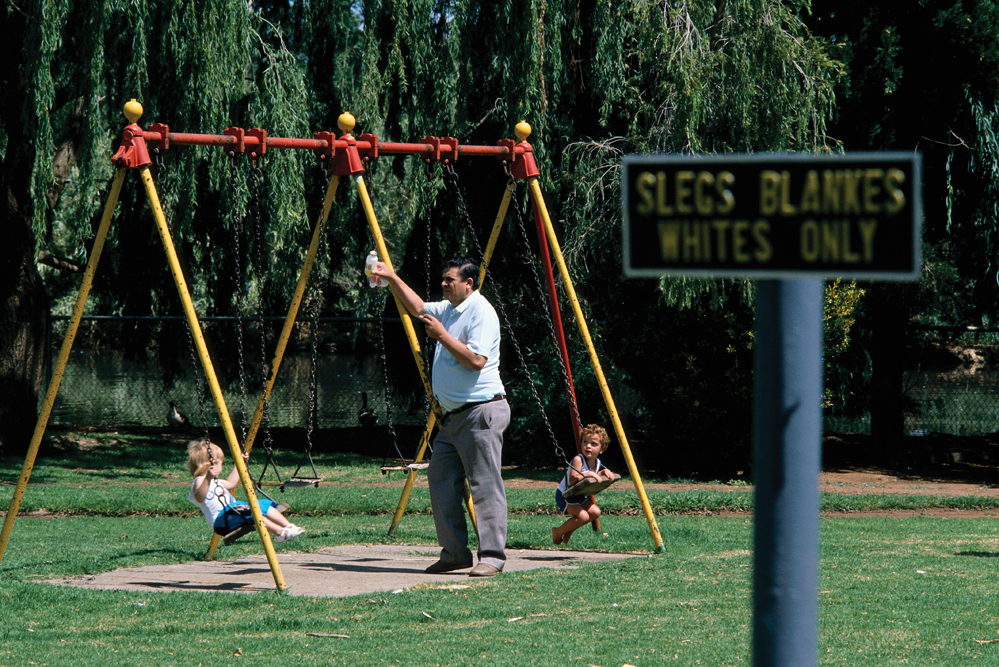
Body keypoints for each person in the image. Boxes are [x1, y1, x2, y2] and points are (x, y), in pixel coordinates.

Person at [371, 257, 510, 577]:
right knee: (441, 479)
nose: (444, 284)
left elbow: (476, 360)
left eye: (450, 280)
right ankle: (455, 554)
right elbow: (418, 307)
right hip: (453, 417)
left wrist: (442, 336)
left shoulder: (481, 312)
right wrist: (391, 277)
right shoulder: (449, 309)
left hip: (481, 412)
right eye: (444, 280)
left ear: (469, 283)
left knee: (485, 486)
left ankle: (492, 557)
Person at [186, 439, 304, 542]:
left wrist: (240, 463)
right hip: (222, 522)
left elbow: (231, 483)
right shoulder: (199, 481)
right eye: (218, 463)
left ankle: (289, 526)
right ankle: (280, 533)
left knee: (257, 504)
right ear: (209, 465)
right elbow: (200, 497)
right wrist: (208, 477)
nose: (220, 466)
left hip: (232, 513)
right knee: (250, 510)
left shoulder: (215, 482)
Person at [551, 424, 615, 545]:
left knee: (596, 512)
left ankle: (569, 530)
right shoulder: (578, 459)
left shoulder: (597, 462)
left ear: (602, 448)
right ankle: (558, 532)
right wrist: (589, 473)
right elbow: (573, 479)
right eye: (585, 442)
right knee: (584, 517)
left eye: (594, 444)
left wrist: (603, 471)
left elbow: (595, 474)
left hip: (578, 495)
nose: (588, 446)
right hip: (566, 495)